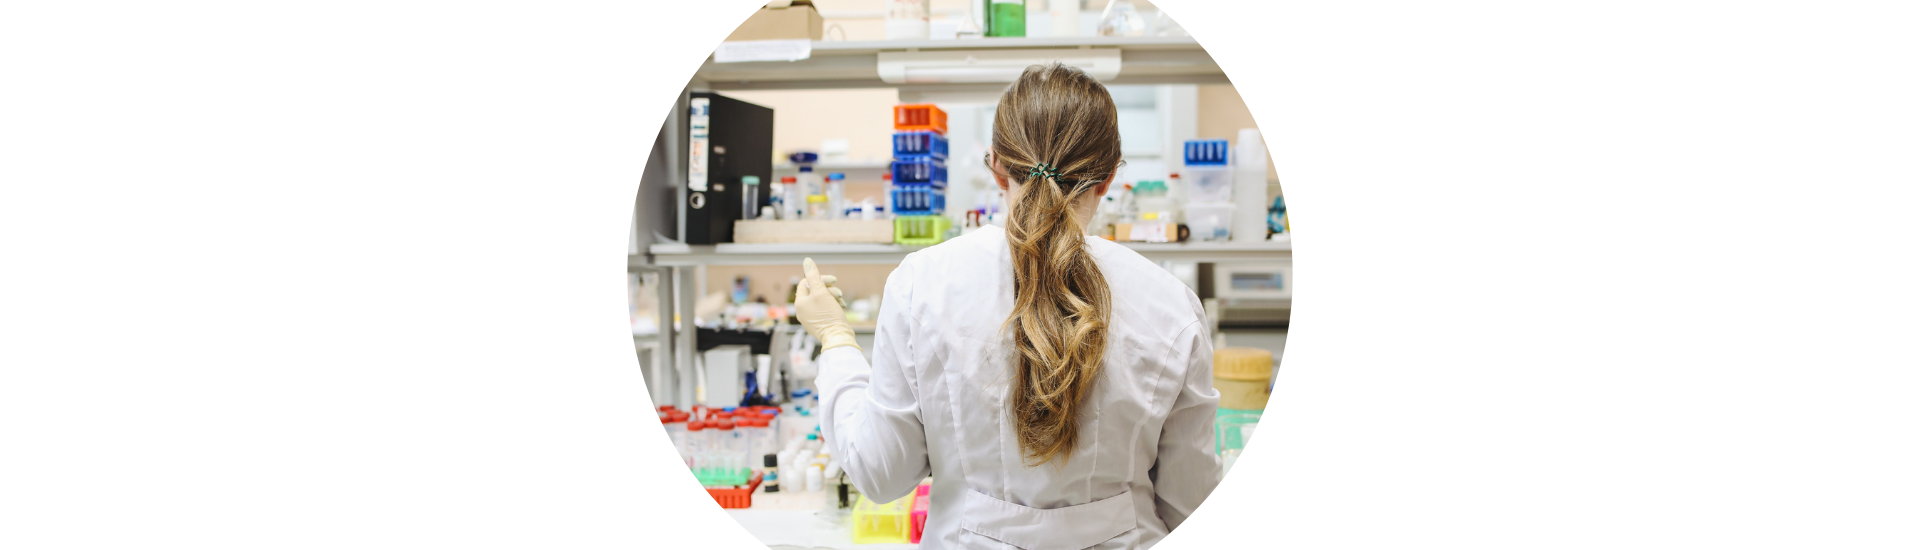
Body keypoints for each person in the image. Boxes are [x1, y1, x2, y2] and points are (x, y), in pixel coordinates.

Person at [794, 64, 1220, 549]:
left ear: (997, 166)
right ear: (1107, 177)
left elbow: (882, 472)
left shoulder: (924, 284)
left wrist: (835, 338)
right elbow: (1192, 504)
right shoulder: (1170, 303)